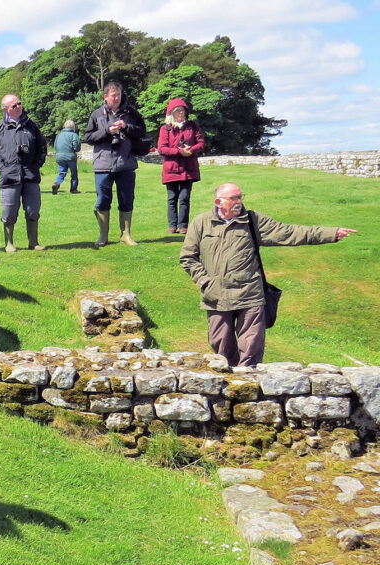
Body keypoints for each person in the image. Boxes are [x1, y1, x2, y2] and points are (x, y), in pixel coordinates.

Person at [180, 183, 358, 367]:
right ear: (219, 202)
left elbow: (289, 233)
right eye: (234, 198)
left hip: (250, 294)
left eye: (240, 197)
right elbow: (187, 257)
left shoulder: (252, 220)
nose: (239, 202)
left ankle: (249, 382)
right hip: (216, 295)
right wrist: (204, 281)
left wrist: (331, 233)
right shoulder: (201, 222)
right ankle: (229, 384)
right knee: (220, 343)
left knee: (251, 348)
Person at [84, 81, 146, 248]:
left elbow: (142, 131)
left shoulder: (131, 112)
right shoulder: (96, 114)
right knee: (103, 199)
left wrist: (126, 126)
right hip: (103, 164)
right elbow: (88, 137)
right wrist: (107, 131)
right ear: (106, 96)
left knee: (126, 199)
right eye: (113, 95)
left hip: (126, 163)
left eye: (119, 94)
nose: (117, 97)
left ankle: (126, 235)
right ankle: (103, 235)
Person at [0, 94, 48, 253]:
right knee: (9, 212)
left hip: (30, 176)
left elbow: (42, 147)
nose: (18, 107)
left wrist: (36, 165)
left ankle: (33, 243)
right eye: (14, 106)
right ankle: (9, 244)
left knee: (33, 210)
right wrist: (1, 168)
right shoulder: (0, 128)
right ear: (6, 109)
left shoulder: (31, 126)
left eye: (19, 104)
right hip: (9, 176)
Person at [158, 98, 205, 235]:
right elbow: (162, 149)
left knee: (184, 198)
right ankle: (172, 225)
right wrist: (179, 152)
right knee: (172, 198)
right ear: (171, 113)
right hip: (171, 169)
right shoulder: (165, 129)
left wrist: (192, 150)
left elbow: (201, 143)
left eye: (182, 110)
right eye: (178, 110)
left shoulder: (192, 126)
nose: (181, 112)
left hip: (188, 168)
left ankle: (183, 225)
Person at [51, 120, 81, 194]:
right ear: (73, 127)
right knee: (74, 174)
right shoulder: (74, 135)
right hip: (70, 157)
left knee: (62, 173)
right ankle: (73, 189)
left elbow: (55, 146)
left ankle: (56, 183)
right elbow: (76, 147)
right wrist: (76, 149)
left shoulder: (59, 135)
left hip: (60, 156)